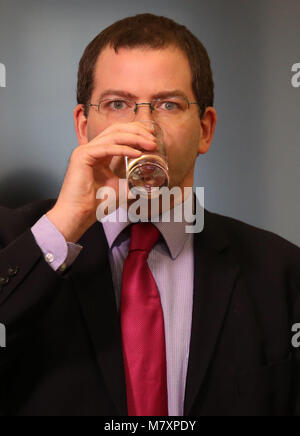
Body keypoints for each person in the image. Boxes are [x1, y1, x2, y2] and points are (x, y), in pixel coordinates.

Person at [0, 13, 299, 417]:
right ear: (83, 126)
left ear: (205, 129)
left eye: (168, 104)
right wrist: (65, 224)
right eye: (118, 104)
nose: (144, 126)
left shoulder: (280, 270)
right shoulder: (18, 243)